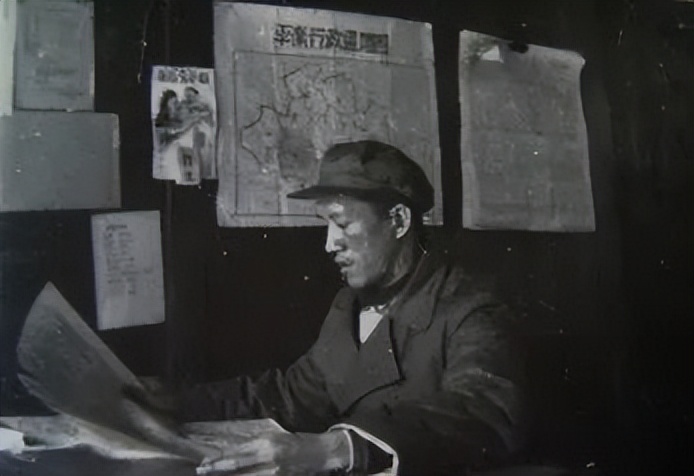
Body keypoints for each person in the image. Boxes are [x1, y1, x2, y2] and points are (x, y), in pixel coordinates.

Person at [127, 140, 529, 475]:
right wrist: (181, 400)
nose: (329, 243)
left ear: (398, 220)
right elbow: (294, 394)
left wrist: (337, 449)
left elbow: (485, 413)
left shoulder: (472, 306)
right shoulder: (350, 304)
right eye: (326, 224)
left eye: (343, 223)